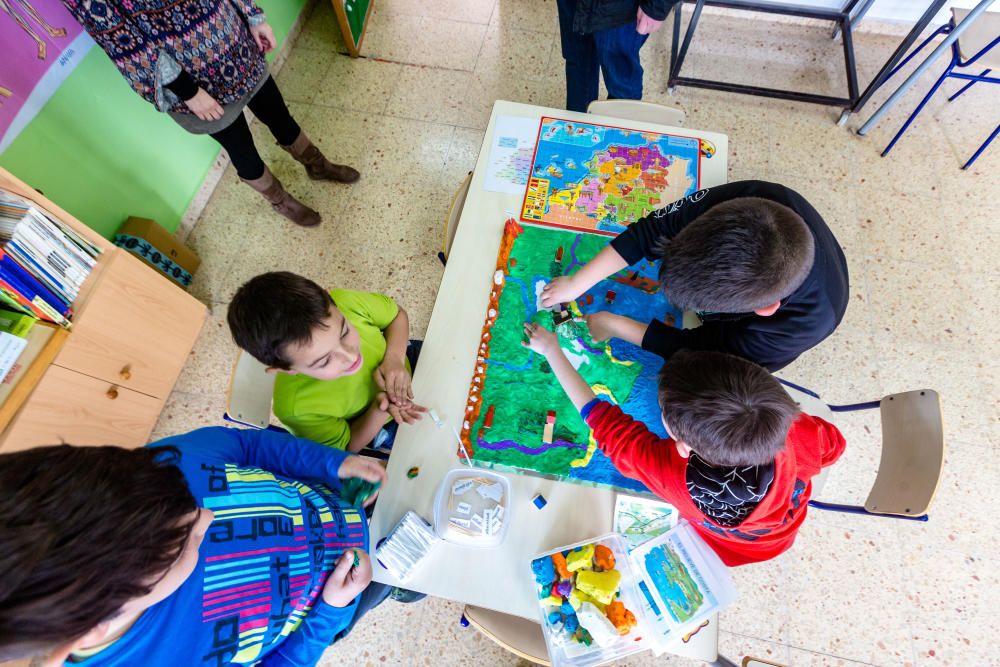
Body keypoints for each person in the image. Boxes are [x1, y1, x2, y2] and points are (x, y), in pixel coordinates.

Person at [0, 425, 407, 666]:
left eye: (189, 503)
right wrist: (330, 613)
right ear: (92, 630)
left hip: (335, 501)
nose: (208, 517)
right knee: (400, 583)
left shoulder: (157, 465)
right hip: (333, 603)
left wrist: (331, 465)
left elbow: (246, 447)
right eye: (184, 544)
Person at [522, 326, 846, 565]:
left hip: (721, 548)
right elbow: (834, 446)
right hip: (768, 542)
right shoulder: (795, 430)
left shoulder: (671, 476)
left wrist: (553, 351)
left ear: (682, 446)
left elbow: (605, 423)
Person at [62, 0, 358, 227]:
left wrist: (253, 15)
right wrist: (188, 92)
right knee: (241, 147)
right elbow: (120, 40)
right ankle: (280, 201)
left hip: (238, 45)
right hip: (192, 84)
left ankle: (317, 165)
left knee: (279, 115)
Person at [540, 180, 850, 372]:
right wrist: (577, 283)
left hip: (775, 330)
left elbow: (702, 352)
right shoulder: (759, 199)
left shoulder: (793, 330)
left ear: (764, 308)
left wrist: (617, 325)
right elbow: (652, 230)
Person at [228, 272, 425, 452]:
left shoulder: (344, 301)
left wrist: (394, 359)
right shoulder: (297, 409)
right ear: (286, 369)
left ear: (328, 296)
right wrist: (379, 410)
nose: (350, 357)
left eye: (345, 332)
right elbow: (345, 447)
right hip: (382, 422)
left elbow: (396, 315)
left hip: (403, 355)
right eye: (325, 361)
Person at [556, 0, 675, 112]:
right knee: (578, 63)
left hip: (624, 7)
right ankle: (577, 127)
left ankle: (618, 131)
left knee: (621, 81)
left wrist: (657, 6)